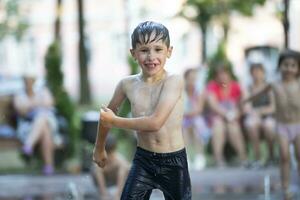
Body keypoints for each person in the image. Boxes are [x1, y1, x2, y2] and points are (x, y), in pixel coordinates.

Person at [93, 21, 191, 200]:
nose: (151, 56)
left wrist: (114, 121)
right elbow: (105, 117)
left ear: (169, 51)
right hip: (144, 159)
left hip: (174, 161)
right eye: (144, 50)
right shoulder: (127, 85)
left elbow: (155, 122)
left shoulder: (174, 81)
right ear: (134, 53)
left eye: (158, 49)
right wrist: (99, 148)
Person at [243, 49, 300, 200]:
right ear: (279, 66)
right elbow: (259, 93)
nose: (289, 68)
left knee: (299, 155)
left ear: (298, 68)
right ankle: (286, 187)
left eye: (293, 65)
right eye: (285, 65)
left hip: (298, 125)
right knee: (284, 156)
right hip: (282, 126)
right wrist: (245, 100)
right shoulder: (274, 84)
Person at [13, 75, 61, 175]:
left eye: (30, 80)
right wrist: (38, 104)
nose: (28, 82)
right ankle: (48, 166)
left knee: (42, 118)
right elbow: (20, 110)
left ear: (34, 80)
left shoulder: (42, 90)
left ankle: (28, 145)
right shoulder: (19, 94)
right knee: (45, 129)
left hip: (48, 122)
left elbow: (49, 103)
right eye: (26, 80)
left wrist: (30, 105)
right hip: (28, 126)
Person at [206, 63, 247, 167]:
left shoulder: (237, 86)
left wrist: (237, 114)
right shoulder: (212, 86)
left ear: (229, 74)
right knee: (218, 126)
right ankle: (218, 159)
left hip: (234, 118)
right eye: (219, 74)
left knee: (233, 127)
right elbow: (213, 105)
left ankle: (243, 157)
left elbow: (245, 103)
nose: (222, 76)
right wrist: (227, 115)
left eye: (224, 73)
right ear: (215, 76)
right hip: (219, 117)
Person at [243, 63, 276, 168]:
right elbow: (246, 107)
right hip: (254, 117)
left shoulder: (269, 87)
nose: (256, 74)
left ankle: (271, 157)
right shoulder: (248, 88)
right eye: (254, 72)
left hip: (268, 117)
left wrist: (259, 111)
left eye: (259, 71)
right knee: (251, 124)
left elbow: (273, 107)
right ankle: (258, 158)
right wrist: (256, 113)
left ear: (263, 73)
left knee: (269, 126)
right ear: (251, 74)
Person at [183, 68, 210, 170]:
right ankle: (186, 157)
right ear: (185, 79)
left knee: (196, 126)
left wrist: (186, 114)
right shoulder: (181, 91)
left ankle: (200, 156)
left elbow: (199, 109)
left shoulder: (200, 91)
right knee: (184, 129)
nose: (192, 81)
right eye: (190, 78)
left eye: (194, 79)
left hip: (195, 118)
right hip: (183, 119)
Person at [92, 134, 129, 200]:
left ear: (114, 149)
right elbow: (97, 169)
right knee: (96, 167)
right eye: (107, 154)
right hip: (104, 184)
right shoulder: (100, 158)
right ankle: (104, 192)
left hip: (115, 183)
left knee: (125, 167)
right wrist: (103, 193)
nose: (108, 157)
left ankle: (118, 192)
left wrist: (118, 194)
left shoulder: (120, 161)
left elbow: (124, 169)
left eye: (110, 154)